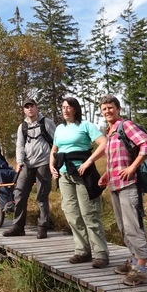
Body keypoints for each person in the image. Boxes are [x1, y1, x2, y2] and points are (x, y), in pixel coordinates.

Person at [98, 94, 147, 286]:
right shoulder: (110, 131)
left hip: (129, 185)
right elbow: (115, 158)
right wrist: (106, 174)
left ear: (118, 109)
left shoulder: (125, 125)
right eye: (104, 109)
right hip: (114, 185)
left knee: (133, 226)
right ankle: (133, 260)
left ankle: (141, 269)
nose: (107, 111)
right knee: (123, 227)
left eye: (111, 107)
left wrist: (132, 167)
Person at [49, 97, 109, 269]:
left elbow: (104, 143)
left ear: (75, 109)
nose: (66, 110)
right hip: (64, 175)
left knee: (89, 213)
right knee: (71, 213)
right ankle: (82, 250)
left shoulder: (85, 125)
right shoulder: (59, 128)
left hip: (83, 174)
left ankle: (101, 253)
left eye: (69, 107)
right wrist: (51, 166)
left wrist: (89, 161)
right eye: (63, 107)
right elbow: (54, 150)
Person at [3, 98, 56, 239]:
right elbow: (20, 145)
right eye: (26, 107)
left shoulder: (47, 122)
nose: (29, 109)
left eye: (31, 106)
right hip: (27, 163)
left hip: (44, 162)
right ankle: (18, 226)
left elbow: (57, 142)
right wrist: (19, 161)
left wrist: (54, 160)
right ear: (24, 110)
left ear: (36, 107)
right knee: (19, 194)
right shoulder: (22, 126)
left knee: (41, 196)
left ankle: (43, 226)